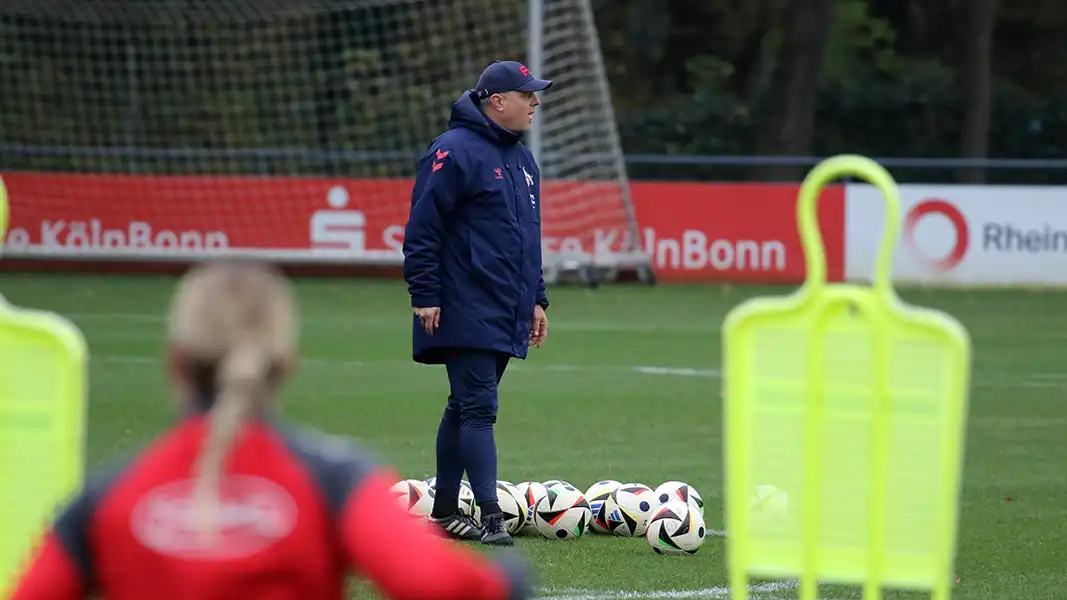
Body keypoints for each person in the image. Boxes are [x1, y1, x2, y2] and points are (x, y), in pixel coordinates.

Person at [8, 261, 532, 600]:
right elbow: (434, 583)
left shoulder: (105, 497)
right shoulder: (334, 479)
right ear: (285, 364)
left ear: (174, 364)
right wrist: (507, 583)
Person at [402, 60, 551, 546]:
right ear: (496, 101)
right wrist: (425, 294)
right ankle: (490, 517)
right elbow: (423, 229)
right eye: (526, 94)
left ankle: (445, 510)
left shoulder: (524, 161)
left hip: (505, 307)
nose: (535, 102)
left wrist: (537, 299)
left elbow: (529, 239)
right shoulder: (452, 151)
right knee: (479, 410)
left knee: (462, 406)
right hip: (462, 304)